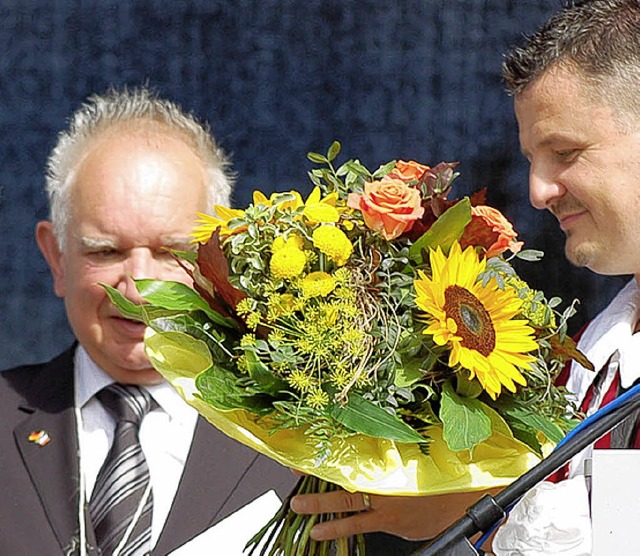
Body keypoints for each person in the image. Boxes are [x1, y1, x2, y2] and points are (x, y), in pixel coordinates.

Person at [0, 87, 416, 556]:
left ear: (220, 255)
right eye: (106, 251)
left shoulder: (313, 437)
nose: (137, 288)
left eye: (171, 253)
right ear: (56, 258)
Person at [291, 0, 640, 552]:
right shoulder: (603, 343)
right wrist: (469, 495)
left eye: (565, 152)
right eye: (531, 159)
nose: (538, 191)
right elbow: (622, 528)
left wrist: (492, 505)